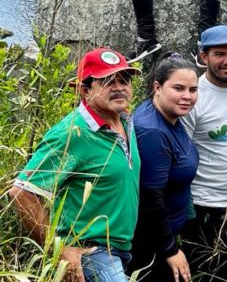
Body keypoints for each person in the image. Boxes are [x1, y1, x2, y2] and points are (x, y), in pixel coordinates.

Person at [9, 48, 141, 282]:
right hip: (92, 252)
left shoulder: (125, 122)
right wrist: (60, 250)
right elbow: (21, 192)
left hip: (123, 249)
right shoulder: (72, 133)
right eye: (108, 81)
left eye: (125, 79)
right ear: (84, 89)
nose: (120, 87)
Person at [180, 25, 227, 281]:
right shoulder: (193, 97)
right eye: (219, 53)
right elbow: (181, 154)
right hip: (205, 206)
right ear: (204, 57)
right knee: (204, 274)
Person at [129, 53, 199, 282]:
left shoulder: (167, 115)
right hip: (152, 245)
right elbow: (151, 198)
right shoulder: (153, 132)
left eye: (193, 89)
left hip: (165, 234)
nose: (187, 96)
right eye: (178, 88)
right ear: (157, 87)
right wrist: (170, 249)